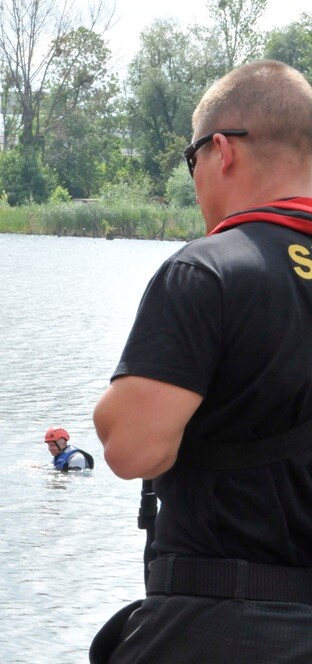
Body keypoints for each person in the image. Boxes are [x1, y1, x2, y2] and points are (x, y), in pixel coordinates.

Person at [92, 60, 312, 663]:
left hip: (223, 623)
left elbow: (132, 450)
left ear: (222, 151)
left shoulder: (210, 270)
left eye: (191, 161)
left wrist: (111, 409)